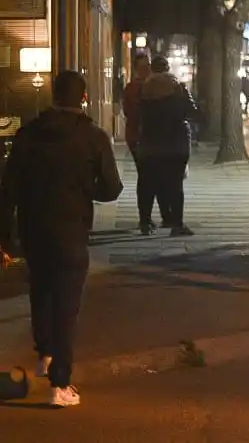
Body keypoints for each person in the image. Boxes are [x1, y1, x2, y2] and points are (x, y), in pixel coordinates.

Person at [0, 70, 124, 408]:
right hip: (71, 228)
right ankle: (60, 384)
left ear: (53, 96)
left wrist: (5, 236)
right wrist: (87, 189)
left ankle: (45, 354)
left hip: (33, 228)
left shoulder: (28, 134)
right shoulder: (93, 137)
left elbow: (8, 187)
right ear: (83, 98)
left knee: (40, 291)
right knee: (67, 306)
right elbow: (112, 188)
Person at [138, 56, 198, 237]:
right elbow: (192, 111)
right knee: (175, 184)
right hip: (175, 142)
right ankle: (177, 224)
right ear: (167, 68)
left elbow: (136, 113)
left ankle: (145, 223)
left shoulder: (145, 88)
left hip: (150, 142)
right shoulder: (178, 87)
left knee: (147, 183)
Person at [122, 53, 167, 235]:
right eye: (142, 67)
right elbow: (131, 113)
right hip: (139, 138)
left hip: (148, 138)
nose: (146, 70)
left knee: (149, 177)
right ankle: (145, 220)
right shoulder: (135, 88)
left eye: (147, 66)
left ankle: (149, 218)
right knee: (147, 177)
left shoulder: (152, 87)